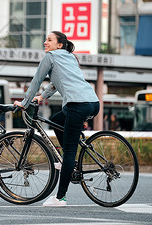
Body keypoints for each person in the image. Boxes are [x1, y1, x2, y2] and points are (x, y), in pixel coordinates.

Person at [13, 31, 100, 207]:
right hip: (93, 102)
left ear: (59, 45)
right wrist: (41, 97)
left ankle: (60, 198)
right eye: (45, 39)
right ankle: (66, 161)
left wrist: (24, 102)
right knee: (56, 120)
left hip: (77, 105)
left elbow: (36, 80)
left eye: (49, 40)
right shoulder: (70, 57)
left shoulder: (51, 56)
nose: (45, 42)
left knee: (69, 152)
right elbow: (55, 83)